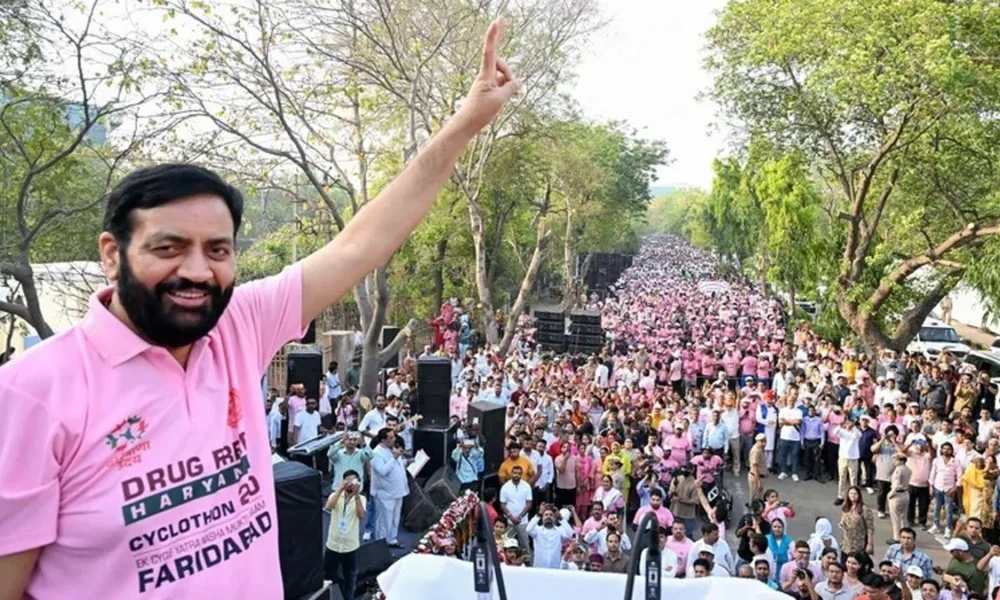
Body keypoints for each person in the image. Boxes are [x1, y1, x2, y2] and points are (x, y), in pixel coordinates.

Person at [0, 19, 520, 596]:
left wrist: (465, 122)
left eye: (217, 250)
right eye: (168, 248)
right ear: (111, 254)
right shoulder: (31, 394)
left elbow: (361, 245)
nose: (197, 271)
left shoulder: (238, 327)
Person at [324, 469, 367, 600]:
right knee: (327, 575)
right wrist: (340, 489)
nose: (349, 483)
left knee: (350, 577)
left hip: (350, 546)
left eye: (352, 480)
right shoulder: (335, 495)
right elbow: (328, 506)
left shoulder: (362, 498)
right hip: (333, 544)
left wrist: (356, 495)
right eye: (347, 480)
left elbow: (361, 515)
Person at [370, 428, 408, 547]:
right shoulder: (376, 453)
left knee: (395, 518)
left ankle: (392, 539)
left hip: (397, 491)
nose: (394, 439)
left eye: (394, 436)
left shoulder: (393, 449)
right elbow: (382, 471)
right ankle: (381, 545)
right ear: (383, 440)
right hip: (385, 493)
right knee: (384, 521)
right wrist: (394, 458)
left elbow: (397, 466)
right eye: (391, 438)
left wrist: (407, 462)